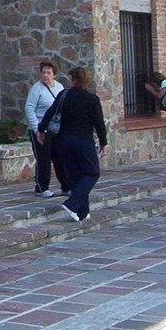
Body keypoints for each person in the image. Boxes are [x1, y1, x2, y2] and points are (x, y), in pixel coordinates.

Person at [38, 66, 107, 222]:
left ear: (74, 80)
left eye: (70, 78)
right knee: (92, 173)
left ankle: (82, 212)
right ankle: (72, 204)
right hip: (83, 141)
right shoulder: (92, 100)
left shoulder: (64, 95)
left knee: (76, 175)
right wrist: (103, 143)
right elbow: (99, 123)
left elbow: (50, 113)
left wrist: (40, 130)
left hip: (63, 141)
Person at [24, 60, 69, 197]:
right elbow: (29, 108)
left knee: (59, 157)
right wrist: (36, 127)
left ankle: (66, 186)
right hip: (39, 128)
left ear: (54, 74)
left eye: (48, 73)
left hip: (54, 129)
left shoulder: (59, 87)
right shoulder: (36, 89)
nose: (45, 75)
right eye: (43, 72)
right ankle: (42, 187)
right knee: (43, 158)